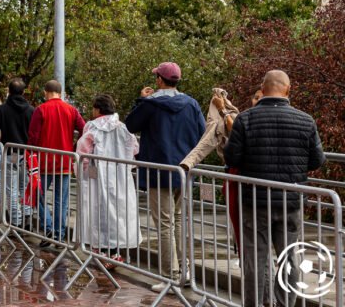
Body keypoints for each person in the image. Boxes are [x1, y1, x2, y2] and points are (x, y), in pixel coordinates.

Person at [224, 70, 325, 307]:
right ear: (288, 89)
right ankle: (284, 303)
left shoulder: (245, 119)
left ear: (263, 88)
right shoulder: (306, 120)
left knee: (255, 259)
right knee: (290, 258)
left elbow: (232, 158)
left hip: (255, 201)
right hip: (291, 200)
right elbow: (317, 160)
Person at [125, 62, 205, 290]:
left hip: (158, 171)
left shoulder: (151, 104)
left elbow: (131, 125)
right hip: (184, 170)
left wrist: (141, 100)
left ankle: (171, 276)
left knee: (164, 224)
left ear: (160, 80)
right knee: (178, 221)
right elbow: (202, 132)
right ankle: (184, 272)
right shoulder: (191, 104)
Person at [75, 95, 140, 266]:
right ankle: (115, 251)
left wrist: (82, 172)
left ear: (97, 109)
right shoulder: (123, 127)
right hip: (120, 176)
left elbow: (82, 153)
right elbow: (134, 148)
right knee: (118, 213)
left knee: (98, 211)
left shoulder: (92, 127)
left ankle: (101, 249)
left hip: (98, 176)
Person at [180, 88, 245, 255]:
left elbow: (234, 133)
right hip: (255, 183)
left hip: (242, 178)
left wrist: (222, 108)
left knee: (245, 228)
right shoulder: (246, 118)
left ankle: (248, 259)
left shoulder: (245, 120)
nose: (255, 100)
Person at [28, 80, 85, 246]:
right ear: (61, 93)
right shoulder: (71, 110)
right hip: (65, 161)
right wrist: (74, 147)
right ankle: (59, 235)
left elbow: (33, 137)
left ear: (45, 92)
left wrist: (30, 156)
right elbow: (84, 129)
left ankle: (48, 227)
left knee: (37, 195)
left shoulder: (41, 110)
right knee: (62, 201)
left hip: (44, 162)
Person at [0, 78, 34, 227]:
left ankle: (15, 222)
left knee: (11, 190)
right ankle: (27, 217)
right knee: (25, 187)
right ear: (23, 92)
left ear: (9, 91)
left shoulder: (2, 110)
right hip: (27, 154)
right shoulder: (31, 110)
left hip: (10, 153)